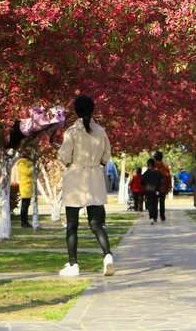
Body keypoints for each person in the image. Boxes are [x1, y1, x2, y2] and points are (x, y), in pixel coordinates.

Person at [56, 95, 114, 277]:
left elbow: (64, 156)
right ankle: (108, 256)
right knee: (96, 224)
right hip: (95, 177)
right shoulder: (101, 131)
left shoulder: (72, 132)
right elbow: (106, 156)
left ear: (76, 111)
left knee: (72, 225)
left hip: (75, 178)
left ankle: (73, 264)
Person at [141, 158, 162, 223]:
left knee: (149, 204)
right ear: (154, 165)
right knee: (155, 203)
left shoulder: (145, 173)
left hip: (147, 191)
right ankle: (155, 217)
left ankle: (151, 217)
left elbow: (141, 182)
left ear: (147, 165)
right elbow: (162, 182)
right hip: (155, 190)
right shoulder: (157, 173)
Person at [154, 150, 172, 221]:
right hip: (163, 187)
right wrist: (169, 187)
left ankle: (154, 216)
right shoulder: (165, 166)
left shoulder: (153, 166)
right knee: (162, 202)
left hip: (154, 187)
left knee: (154, 202)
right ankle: (162, 216)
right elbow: (168, 177)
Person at [18, 152, 34, 228]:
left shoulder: (29, 163)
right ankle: (24, 222)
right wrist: (33, 168)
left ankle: (26, 221)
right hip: (25, 187)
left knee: (27, 205)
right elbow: (27, 172)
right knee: (24, 205)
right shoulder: (21, 164)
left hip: (29, 186)